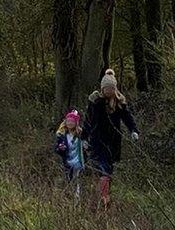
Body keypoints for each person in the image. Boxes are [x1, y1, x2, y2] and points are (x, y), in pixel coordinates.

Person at [82, 69, 139, 209]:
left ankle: (105, 196)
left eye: (111, 88)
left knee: (108, 169)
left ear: (114, 88)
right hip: (97, 140)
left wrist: (133, 130)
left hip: (112, 141)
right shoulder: (96, 102)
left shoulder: (120, 103)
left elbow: (127, 117)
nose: (108, 91)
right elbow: (88, 120)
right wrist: (84, 137)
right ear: (102, 89)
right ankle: (103, 198)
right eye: (106, 89)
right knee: (102, 168)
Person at [54, 110, 84, 202]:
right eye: (68, 121)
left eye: (72, 121)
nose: (70, 123)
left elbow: (88, 146)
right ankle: (68, 199)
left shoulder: (81, 134)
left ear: (76, 123)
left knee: (78, 180)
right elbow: (56, 149)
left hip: (79, 161)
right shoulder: (62, 135)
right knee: (69, 180)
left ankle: (78, 200)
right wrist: (60, 148)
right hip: (67, 162)